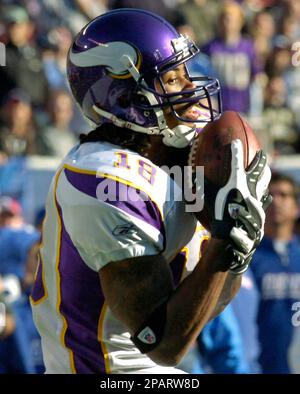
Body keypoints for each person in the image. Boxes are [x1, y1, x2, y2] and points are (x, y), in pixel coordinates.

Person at [30, 9, 271, 374]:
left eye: (186, 73)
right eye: (172, 79)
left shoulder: (181, 158)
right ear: (125, 97)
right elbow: (160, 341)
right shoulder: (106, 180)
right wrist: (225, 244)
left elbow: (204, 306)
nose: (191, 88)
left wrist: (241, 243)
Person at [251, 172, 300, 373]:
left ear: (296, 207)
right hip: (257, 366)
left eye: (284, 195)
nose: (276, 201)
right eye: (269, 196)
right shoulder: (247, 258)